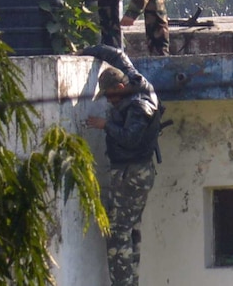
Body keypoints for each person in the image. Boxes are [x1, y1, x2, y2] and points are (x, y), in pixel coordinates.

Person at [78, 44, 162, 286]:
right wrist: (85, 51)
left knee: (118, 232)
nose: (109, 100)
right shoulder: (133, 78)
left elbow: (131, 138)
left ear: (121, 88)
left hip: (133, 172)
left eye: (111, 95)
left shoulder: (139, 105)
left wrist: (106, 125)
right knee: (129, 228)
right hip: (132, 171)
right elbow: (117, 55)